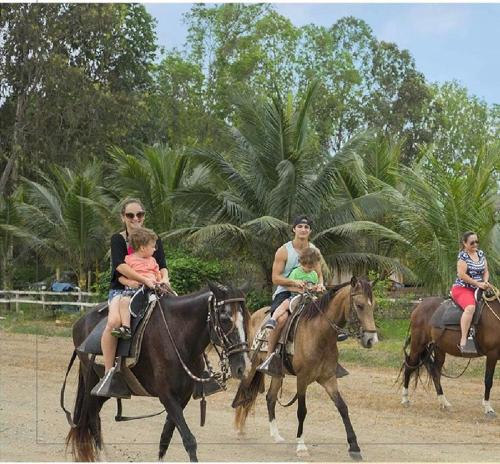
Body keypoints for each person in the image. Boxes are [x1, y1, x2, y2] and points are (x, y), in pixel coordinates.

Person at [92, 198, 170, 396]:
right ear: (123, 217)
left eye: (139, 215)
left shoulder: (153, 238)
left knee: (179, 313)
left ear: (144, 216)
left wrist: (165, 280)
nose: (135, 218)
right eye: (130, 215)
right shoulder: (118, 239)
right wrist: (144, 280)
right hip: (123, 289)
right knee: (114, 322)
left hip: (153, 286)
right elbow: (120, 266)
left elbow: (161, 264)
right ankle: (109, 375)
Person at [257, 215, 334, 377]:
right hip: (286, 292)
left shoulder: (314, 251)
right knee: (282, 319)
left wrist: (320, 284)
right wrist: (293, 283)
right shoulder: (284, 251)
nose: (303, 230)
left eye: (306, 227)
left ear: (310, 231)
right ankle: (270, 357)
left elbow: (319, 274)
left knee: (327, 316)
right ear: (294, 229)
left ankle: (330, 358)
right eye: (300, 226)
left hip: (309, 293)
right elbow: (275, 278)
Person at [112, 227, 163, 340]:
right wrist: (129, 282)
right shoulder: (128, 260)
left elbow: (157, 272)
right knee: (124, 301)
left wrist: (159, 282)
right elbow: (120, 278)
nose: (155, 249)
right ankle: (126, 327)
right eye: (153, 246)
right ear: (143, 248)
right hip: (134, 289)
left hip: (152, 288)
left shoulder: (153, 260)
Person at [450, 231, 490, 354]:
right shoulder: (463, 256)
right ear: (465, 243)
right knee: (470, 308)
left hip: (480, 286)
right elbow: (461, 275)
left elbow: (486, 271)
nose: (475, 244)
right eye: (472, 242)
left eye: (477, 241)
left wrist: (486, 282)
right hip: (463, 288)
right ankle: (464, 341)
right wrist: (478, 284)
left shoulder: (481, 253)